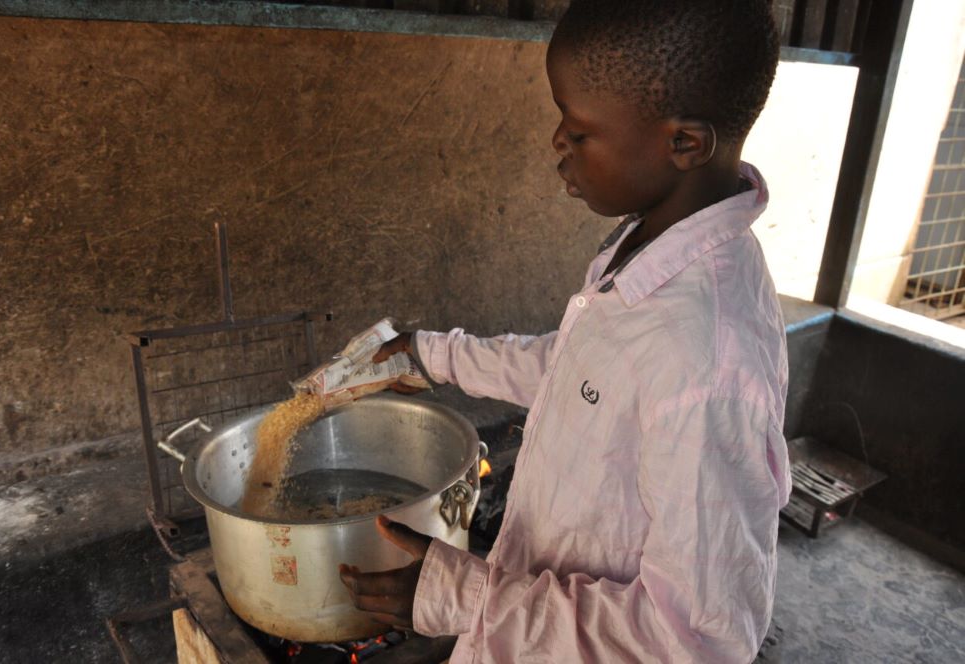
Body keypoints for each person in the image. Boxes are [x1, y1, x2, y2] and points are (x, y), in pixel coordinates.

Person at [338, 1, 790, 661]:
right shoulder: (652, 245)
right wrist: (435, 356)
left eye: (578, 131)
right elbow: (581, 372)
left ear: (685, 144)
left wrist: (466, 598)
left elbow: (694, 639)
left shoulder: (707, 366)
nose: (557, 143)